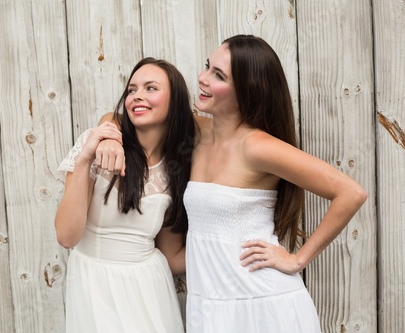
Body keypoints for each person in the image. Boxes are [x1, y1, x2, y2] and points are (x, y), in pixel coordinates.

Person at [97, 34, 368, 333]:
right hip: (211, 304)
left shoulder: (257, 147)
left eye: (218, 75)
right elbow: (122, 116)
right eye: (207, 66)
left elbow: (350, 193)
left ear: (245, 91)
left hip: (262, 302)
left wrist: (297, 260)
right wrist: (109, 136)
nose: (202, 78)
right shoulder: (197, 132)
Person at [54, 57, 195, 333]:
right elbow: (66, 236)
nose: (137, 96)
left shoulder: (176, 168)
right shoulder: (96, 144)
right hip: (95, 284)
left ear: (175, 101)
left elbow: (172, 256)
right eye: (132, 90)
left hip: (150, 285)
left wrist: (226, 247)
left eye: (150, 88)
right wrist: (84, 159)